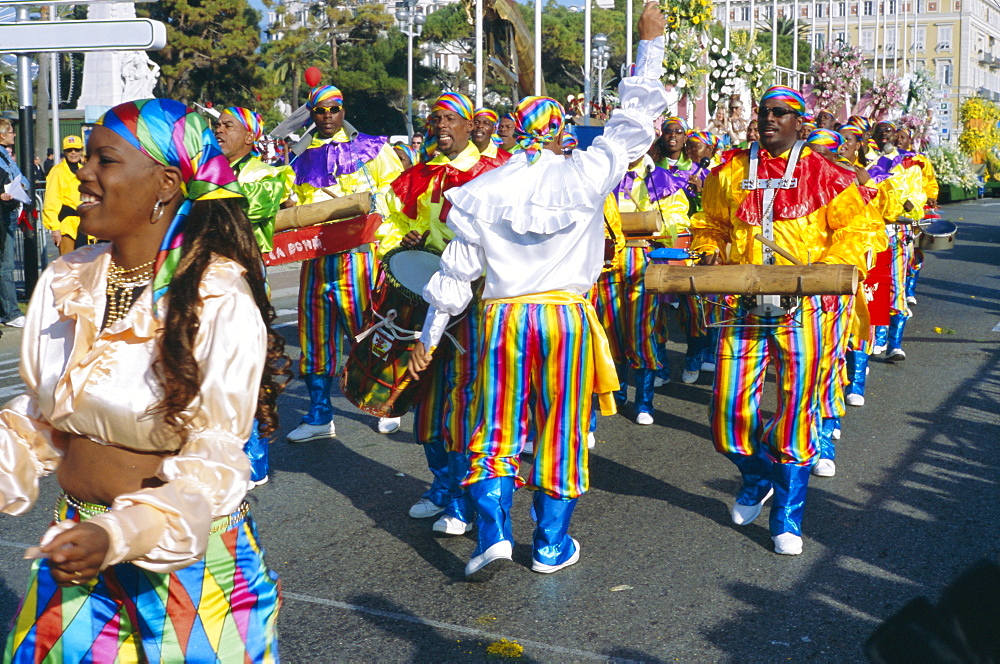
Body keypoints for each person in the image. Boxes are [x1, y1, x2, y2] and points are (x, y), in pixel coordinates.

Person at [0, 98, 286, 662]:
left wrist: (119, 534)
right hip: (77, 557)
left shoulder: (216, 295)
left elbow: (215, 463)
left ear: (165, 183)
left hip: (191, 577)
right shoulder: (67, 279)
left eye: (105, 160)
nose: (83, 171)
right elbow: (40, 419)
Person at [408, 2, 668, 580]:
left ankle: (495, 534)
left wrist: (428, 337)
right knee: (561, 427)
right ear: (561, 133)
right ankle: (550, 544)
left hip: (500, 319)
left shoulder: (484, 187)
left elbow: (455, 276)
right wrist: (649, 46)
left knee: (494, 424)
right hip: (566, 320)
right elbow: (633, 123)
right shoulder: (588, 169)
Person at [690, 85, 868, 556]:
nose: (768, 120)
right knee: (727, 416)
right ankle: (757, 475)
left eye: (779, 113)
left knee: (796, 414)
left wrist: (818, 276)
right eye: (763, 112)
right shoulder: (729, 171)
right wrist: (709, 252)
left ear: (800, 123)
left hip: (807, 309)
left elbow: (856, 233)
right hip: (742, 307)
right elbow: (710, 224)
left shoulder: (829, 174)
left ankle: (787, 516)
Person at [376, 92, 508, 534]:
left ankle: (467, 497)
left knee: (468, 398)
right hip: (427, 296)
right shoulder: (417, 175)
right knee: (426, 395)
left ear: (472, 126)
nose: (442, 126)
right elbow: (392, 222)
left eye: (451, 118)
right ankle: (443, 487)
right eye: (436, 119)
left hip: (477, 303)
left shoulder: (494, 174)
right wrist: (403, 244)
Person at [284, 83, 405, 442]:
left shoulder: (373, 148)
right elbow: (289, 199)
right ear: (311, 114)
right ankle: (320, 414)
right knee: (315, 339)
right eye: (320, 111)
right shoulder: (297, 155)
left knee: (367, 334)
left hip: (359, 259)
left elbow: (398, 192)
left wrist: (371, 214)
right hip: (316, 260)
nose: (327, 117)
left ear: (343, 110)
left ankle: (386, 404)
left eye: (333, 109)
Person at [214, 106, 290, 486]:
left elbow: (235, 212)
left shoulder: (266, 174)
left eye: (228, 125)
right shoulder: (209, 170)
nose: (218, 130)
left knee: (249, 372)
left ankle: (254, 460)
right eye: (217, 125)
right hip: (207, 280)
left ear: (249, 137)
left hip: (245, 281)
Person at [0, 119, 27, 328]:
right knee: (6, 266)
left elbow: (21, 178)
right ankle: (11, 312)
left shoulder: (6, 156)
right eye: (10, 131)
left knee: (6, 264)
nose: (14, 134)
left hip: (8, 214)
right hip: (2, 214)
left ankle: (7, 310)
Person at [42, 135, 88, 256]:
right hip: (66, 226)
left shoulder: (85, 170)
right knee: (68, 266)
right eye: (69, 150)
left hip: (85, 224)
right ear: (65, 152)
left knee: (86, 267)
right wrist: (55, 227)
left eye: (76, 150)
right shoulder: (57, 171)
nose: (73, 153)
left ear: (81, 151)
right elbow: (51, 200)